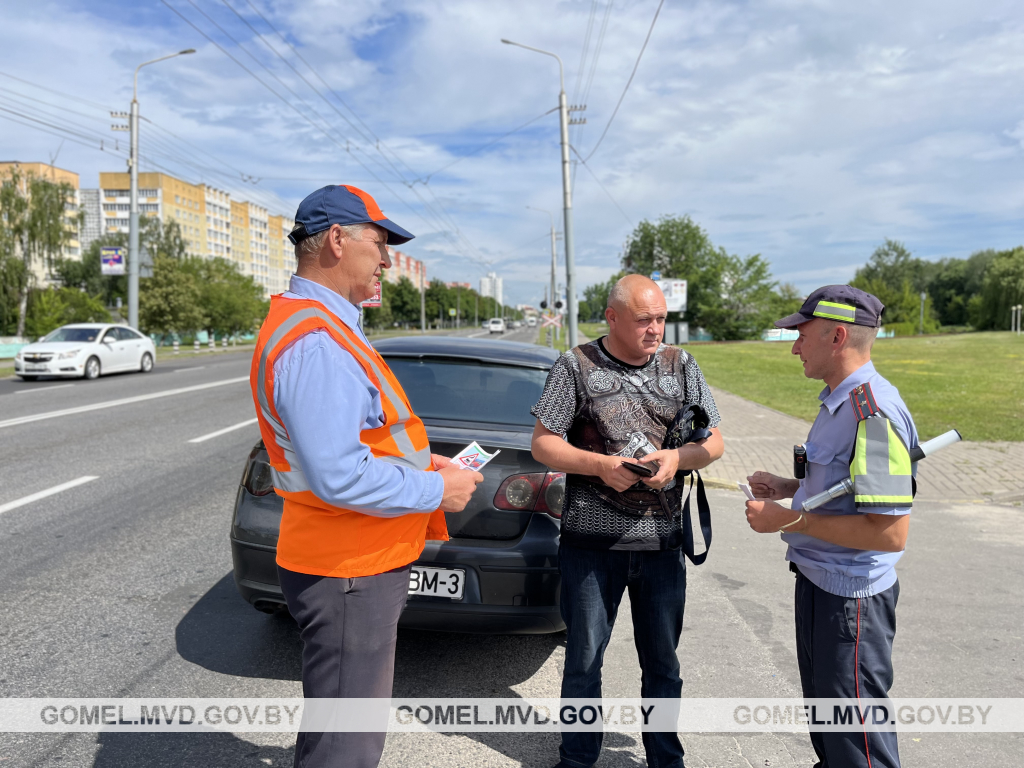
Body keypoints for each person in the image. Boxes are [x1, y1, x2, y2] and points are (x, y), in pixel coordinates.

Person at [249, 184, 484, 768]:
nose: (385, 261)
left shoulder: (323, 327)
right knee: (348, 745)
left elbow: (354, 448)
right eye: (378, 244)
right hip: (348, 567)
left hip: (348, 561)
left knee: (334, 728)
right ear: (336, 240)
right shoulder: (318, 340)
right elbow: (338, 476)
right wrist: (438, 488)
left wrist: (422, 464)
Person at [531, 274, 725, 768]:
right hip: (590, 548)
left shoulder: (682, 366)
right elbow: (543, 444)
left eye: (660, 318)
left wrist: (677, 460)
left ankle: (665, 759)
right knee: (583, 663)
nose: (655, 329)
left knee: (663, 665)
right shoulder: (574, 366)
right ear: (612, 318)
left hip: (662, 545)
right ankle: (577, 759)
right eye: (644, 320)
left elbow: (715, 441)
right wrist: (601, 466)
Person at [744, 285, 917, 768]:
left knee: (857, 744)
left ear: (837, 336)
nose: (795, 346)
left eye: (801, 335)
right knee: (831, 734)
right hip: (823, 586)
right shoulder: (840, 402)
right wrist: (785, 486)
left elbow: (890, 533)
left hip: (851, 603)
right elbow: (846, 489)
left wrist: (791, 519)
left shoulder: (873, 412)